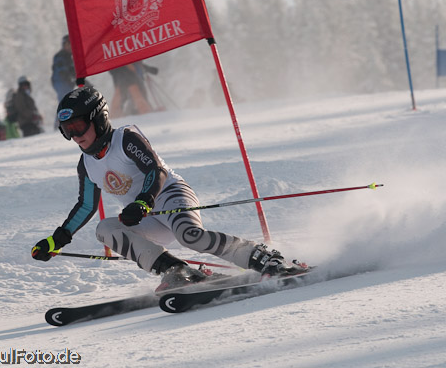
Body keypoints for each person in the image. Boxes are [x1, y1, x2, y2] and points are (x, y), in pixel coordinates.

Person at [31, 87, 308, 290]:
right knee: (105, 229)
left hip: (170, 195)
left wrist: (142, 202)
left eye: (78, 126)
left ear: (99, 118)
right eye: (67, 130)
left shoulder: (125, 138)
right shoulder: (86, 164)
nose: (76, 136)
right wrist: (56, 240)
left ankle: (262, 258)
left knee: (190, 236)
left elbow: (155, 170)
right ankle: (176, 269)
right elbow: (86, 206)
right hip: (146, 217)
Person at [51, 35, 76, 103]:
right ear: (64, 45)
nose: (69, 47)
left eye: (70, 44)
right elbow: (62, 71)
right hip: (61, 83)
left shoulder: (70, 57)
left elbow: (73, 72)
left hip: (68, 84)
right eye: (67, 44)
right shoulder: (60, 56)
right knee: (66, 103)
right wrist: (71, 76)